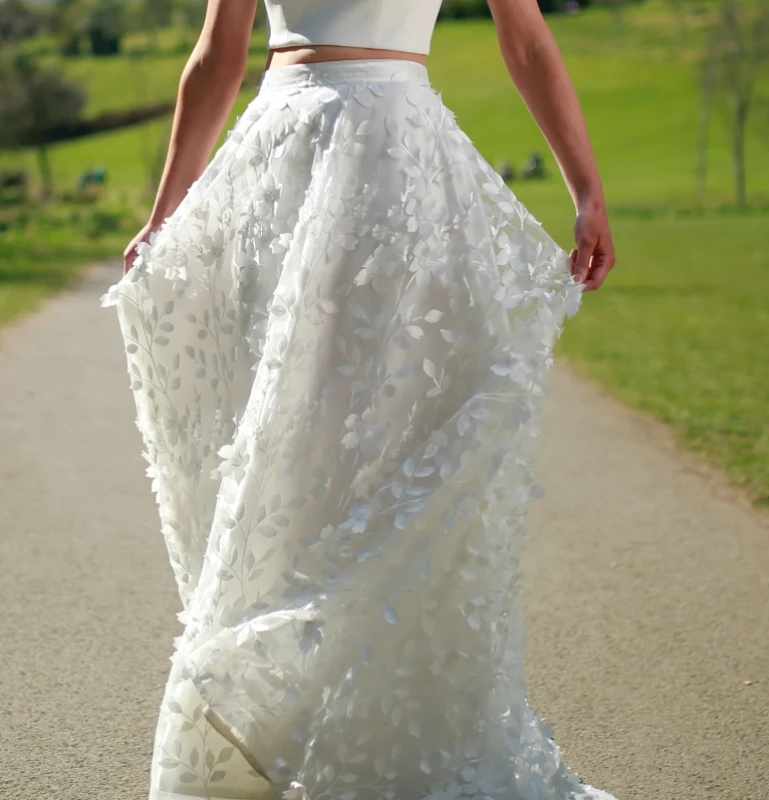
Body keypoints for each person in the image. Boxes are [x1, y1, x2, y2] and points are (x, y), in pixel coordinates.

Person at [101, 0, 617, 797]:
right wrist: (164, 213)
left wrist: (588, 189)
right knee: (284, 446)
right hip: (285, 172)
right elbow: (218, 51)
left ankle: (360, 720)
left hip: (386, 165)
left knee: (388, 448)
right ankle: (285, 715)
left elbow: (524, 37)